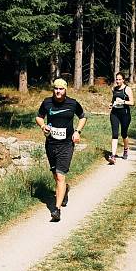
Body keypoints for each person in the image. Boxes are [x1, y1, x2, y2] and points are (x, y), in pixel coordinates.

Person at [36, 78, 87, 222]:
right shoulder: (47, 102)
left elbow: (83, 117)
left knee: (60, 175)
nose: (58, 91)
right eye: (56, 89)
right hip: (51, 144)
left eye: (61, 89)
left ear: (65, 90)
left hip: (66, 144)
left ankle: (56, 209)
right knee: (55, 175)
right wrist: (42, 126)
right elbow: (39, 117)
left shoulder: (72, 103)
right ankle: (64, 191)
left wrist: (77, 131)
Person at [108, 72, 135, 164]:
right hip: (114, 113)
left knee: (124, 134)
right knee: (115, 134)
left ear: (123, 80)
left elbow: (132, 102)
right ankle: (113, 155)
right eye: (117, 79)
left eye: (120, 79)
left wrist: (123, 101)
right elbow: (113, 99)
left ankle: (126, 149)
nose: (118, 81)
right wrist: (111, 104)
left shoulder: (127, 89)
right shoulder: (114, 89)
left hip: (125, 114)